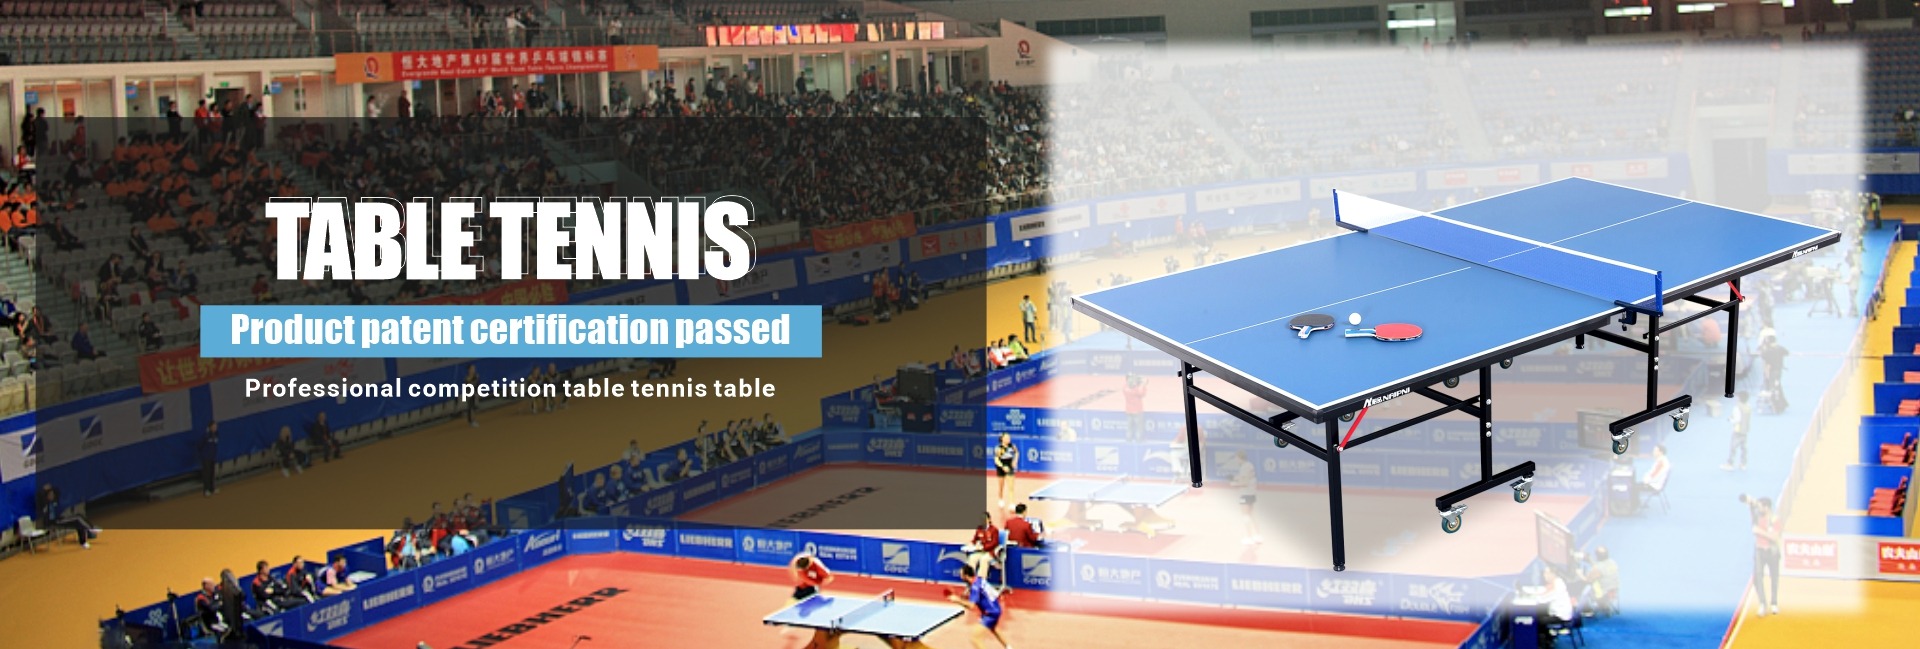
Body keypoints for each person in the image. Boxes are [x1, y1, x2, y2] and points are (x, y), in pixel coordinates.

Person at [946, 563, 1011, 649]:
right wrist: (965, 597)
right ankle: (1009, 647)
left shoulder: (975, 587)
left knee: (975, 638)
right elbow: (984, 595)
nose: (960, 576)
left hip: (990, 613)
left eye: (961, 575)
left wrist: (957, 600)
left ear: (966, 576)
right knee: (993, 628)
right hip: (995, 608)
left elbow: (971, 606)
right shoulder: (979, 580)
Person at [1745, 495, 1783, 616]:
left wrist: (1760, 532)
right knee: (1757, 577)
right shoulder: (1757, 517)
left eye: (1761, 507)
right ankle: (1762, 603)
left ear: (1767, 508)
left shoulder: (1775, 520)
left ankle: (1774, 603)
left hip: (1772, 552)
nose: (1759, 509)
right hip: (1759, 551)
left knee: (1774, 577)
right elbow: (1752, 515)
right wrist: (1750, 504)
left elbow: (1775, 537)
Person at [37, 483, 97, 548]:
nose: (52, 496)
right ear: (46, 496)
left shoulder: (55, 501)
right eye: (50, 495)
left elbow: (57, 490)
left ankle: (83, 541)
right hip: (53, 522)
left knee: (78, 520)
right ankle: (90, 528)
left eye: (52, 494)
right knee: (77, 518)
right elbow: (40, 496)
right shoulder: (44, 504)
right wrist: (44, 490)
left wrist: (50, 487)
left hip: (60, 519)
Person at [1578, 546, 1620, 616]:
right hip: (1614, 591)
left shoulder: (1598, 568)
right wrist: (1590, 560)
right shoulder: (1612, 562)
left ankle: (1587, 610)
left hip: (1602, 595)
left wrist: (1579, 574)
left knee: (1583, 589)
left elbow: (1587, 580)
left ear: (1597, 555)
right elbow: (1602, 567)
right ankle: (1604, 606)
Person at [1233, 450, 1260, 545]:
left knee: (1245, 515)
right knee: (1251, 515)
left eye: (1236, 458)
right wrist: (1237, 478)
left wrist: (1234, 484)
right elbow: (1247, 478)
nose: (1236, 460)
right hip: (1252, 493)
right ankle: (1257, 536)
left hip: (1245, 494)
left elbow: (1244, 483)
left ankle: (1249, 537)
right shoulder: (1250, 465)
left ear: (1239, 458)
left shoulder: (1244, 467)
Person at [1724, 391, 1751, 471]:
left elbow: (1737, 419)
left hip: (1737, 430)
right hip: (1745, 430)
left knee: (1733, 447)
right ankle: (1743, 464)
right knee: (1744, 448)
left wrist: (1730, 420)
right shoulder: (1748, 407)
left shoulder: (1737, 407)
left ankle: (1730, 464)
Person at [993, 433, 1019, 510]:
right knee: (1001, 486)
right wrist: (1002, 466)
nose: (1008, 439)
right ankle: (1000, 499)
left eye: (1009, 437)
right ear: (1002, 439)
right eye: (1006, 438)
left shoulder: (1012, 446)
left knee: (1011, 487)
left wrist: (1015, 461)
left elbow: (1017, 452)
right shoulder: (998, 448)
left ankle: (1011, 503)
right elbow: (996, 460)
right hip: (1001, 466)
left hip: (1009, 466)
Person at [1123, 374, 1148, 443]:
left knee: (1129, 427)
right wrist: (1143, 385)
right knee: (1139, 427)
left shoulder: (1125, 388)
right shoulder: (1136, 390)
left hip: (1128, 411)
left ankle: (1128, 440)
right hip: (1137, 411)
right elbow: (1142, 394)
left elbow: (1130, 385)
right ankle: (1138, 441)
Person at [198, 422, 220, 496]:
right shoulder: (206, 435)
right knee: (206, 474)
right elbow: (200, 445)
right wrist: (204, 453)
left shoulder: (216, 434)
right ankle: (206, 490)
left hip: (212, 457)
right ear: (210, 427)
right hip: (206, 457)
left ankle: (212, 489)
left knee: (212, 473)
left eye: (216, 426)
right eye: (214, 426)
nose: (215, 428)